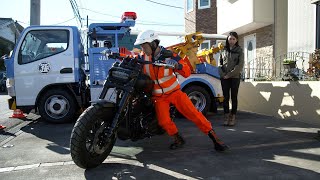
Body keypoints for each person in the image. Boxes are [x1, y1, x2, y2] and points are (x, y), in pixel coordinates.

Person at [133, 30, 229, 152]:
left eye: (144, 45)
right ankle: (178, 138)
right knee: (164, 122)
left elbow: (187, 71)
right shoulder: (142, 57)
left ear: (153, 43)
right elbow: (131, 58)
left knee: (194, 114)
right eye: (141, 46)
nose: (143, 48)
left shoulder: (170, 55)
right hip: (158, 97)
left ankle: (215, 138)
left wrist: (177, 66)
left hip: (175, 93)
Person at [218, 31, 244, 126]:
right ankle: (226, 116)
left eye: (233, 39)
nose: (231, 41)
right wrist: (223, 74)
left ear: (236, 40)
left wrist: (229, 74)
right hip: (224, 78)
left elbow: (239, 65)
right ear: (227, 39)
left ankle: (233, 116)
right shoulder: (224, 50)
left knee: (234, 97)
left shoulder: (239, 51)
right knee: (225, 97)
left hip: (235, 77)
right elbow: (219, 64)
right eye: (230, 39)